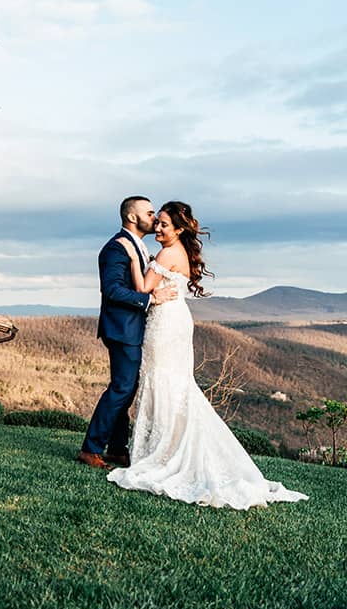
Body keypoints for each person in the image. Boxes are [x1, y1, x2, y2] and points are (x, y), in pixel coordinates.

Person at [105, 200, 307, 509]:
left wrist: (134, 259)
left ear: (179, 229)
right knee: (173, 384)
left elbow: (145, 287)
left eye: (163, 224)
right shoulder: (179, 252)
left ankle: (164, 453)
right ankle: (169, 447)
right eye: (156, 222)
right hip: (175, 321)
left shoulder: (166, 253)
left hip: (165, 325)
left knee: (163, 382)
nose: (158, 228)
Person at [79, 196, 176, 470]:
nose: (154, 217)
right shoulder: (116, 249)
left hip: (133, 329)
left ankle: (118, 449)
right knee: (121, 388)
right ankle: (91, 449)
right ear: (132, 217)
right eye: (149, 212)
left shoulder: (139, 247)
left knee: (126, 389)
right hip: (122, 329)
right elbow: (111, 290)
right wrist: (149, 300)